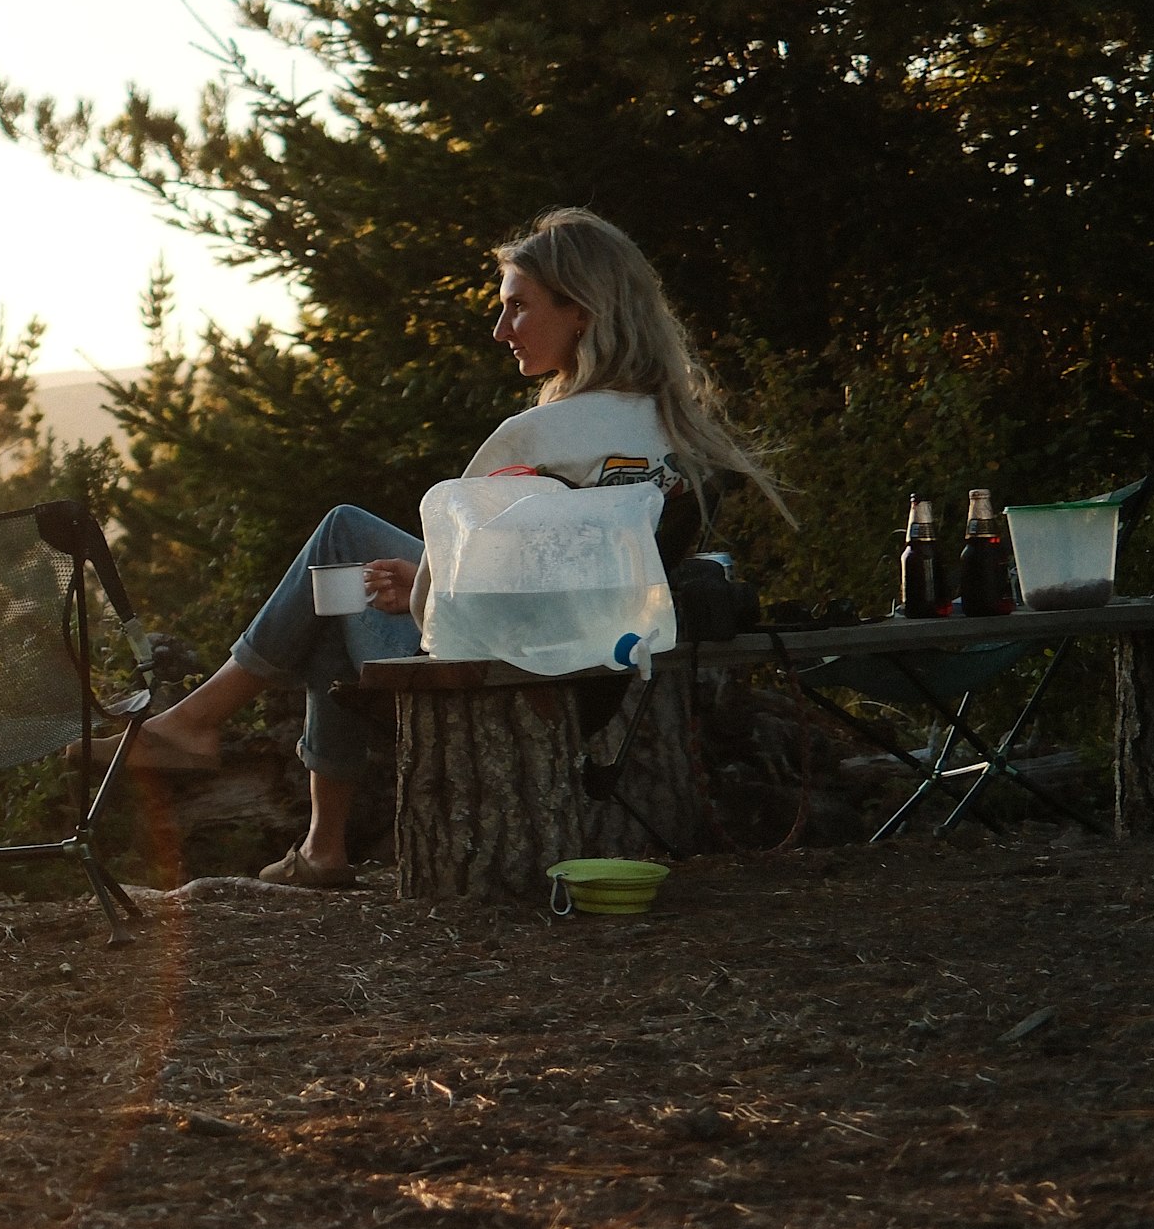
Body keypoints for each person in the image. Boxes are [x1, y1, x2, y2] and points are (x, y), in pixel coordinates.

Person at [129, 208, 787, 887]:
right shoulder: (684, 434)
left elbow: (438, 611)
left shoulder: (536, 437)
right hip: (604, 674)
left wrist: (420, 580)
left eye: (517, 309)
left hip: (499, 680)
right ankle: (318, 847)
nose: (500, 331)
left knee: (341, 539)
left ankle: (200, 725)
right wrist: (426, 575)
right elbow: (577, 570)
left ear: (583, 311)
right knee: (342, 574)